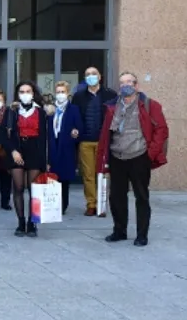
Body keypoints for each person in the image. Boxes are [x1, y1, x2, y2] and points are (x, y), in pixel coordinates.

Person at [96, 72, 168, 246]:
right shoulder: (111, 106)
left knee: (141, 196)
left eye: (129, 82)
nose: (125, 85)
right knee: (117, 197)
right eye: (121, 83)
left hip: (139, 157)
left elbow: (161, 130)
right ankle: (119, 231)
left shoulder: (150, 105)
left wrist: (150, 154)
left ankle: (142, 235)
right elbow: (106, 134)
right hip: (117, 157)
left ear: (136, 86)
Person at [0, 81, 48, 238]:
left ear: (33, 94)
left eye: (28, 91)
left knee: (34, 189)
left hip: (35, 151)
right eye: (22, 91)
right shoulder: (12, 111)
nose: (25, 94)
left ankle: (32, 224)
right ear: (18, 94)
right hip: (17, 150)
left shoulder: (41, 112)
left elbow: (46, 137)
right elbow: (2, 135)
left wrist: (46, 159)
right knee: (18, 187)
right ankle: (21, 222)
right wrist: (12, 151)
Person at [71, 66, 117, 216]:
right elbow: (74, 116)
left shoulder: (110, 95)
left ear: (100, 76)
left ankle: (102, 205)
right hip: (85, 141)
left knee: (103, 174)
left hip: (104, 141)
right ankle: (91, 204)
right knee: (88, 174)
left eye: (93, 74)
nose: (91, 76)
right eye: (87, 74)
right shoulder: (78, 96)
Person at [46, 81, 82, 215]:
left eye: (63, 92)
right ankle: (52, 204)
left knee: (64, 179)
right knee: (52, 177)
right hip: (52, 145)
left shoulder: (74, 109)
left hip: (66, 147)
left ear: (68, 93)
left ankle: (63, 205)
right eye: (58, 92)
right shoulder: (50, 109)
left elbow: (79, 127)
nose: (60, 95)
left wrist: (76, 132)